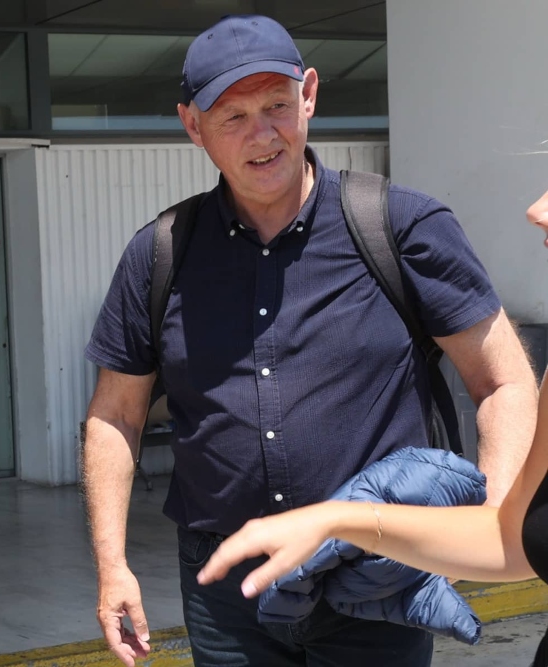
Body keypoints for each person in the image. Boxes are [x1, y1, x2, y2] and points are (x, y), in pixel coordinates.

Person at [81, 14, 538, 667]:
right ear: (192, 125)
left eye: (276, 105)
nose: (263, 135)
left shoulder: (400, 226)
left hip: (373, 578)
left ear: (310, 95)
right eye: (233, 117)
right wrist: (111, 565)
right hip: (227, 591)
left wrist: (488, 526)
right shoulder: (161, 254)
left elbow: (503, 380)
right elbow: (115, 416)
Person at [197, 186, 548, 598]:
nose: (536, 210)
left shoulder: (405, 220)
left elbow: (501, 382)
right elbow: (510, 540)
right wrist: (335, 520)